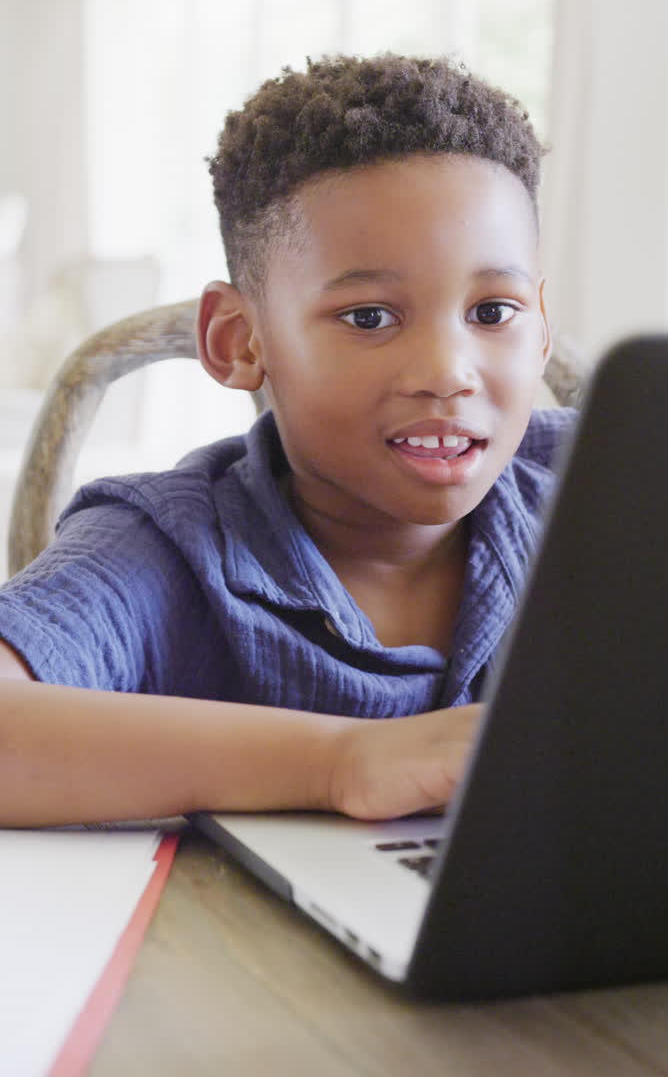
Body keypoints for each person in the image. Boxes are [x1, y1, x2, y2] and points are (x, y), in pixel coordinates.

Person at [0, 53, 574, 827]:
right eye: (370, 317)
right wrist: (343, 763)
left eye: (493, 312)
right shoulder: (165, 545)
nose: (448, 373)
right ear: (240, 342)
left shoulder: (612, 486)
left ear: (540, 327)